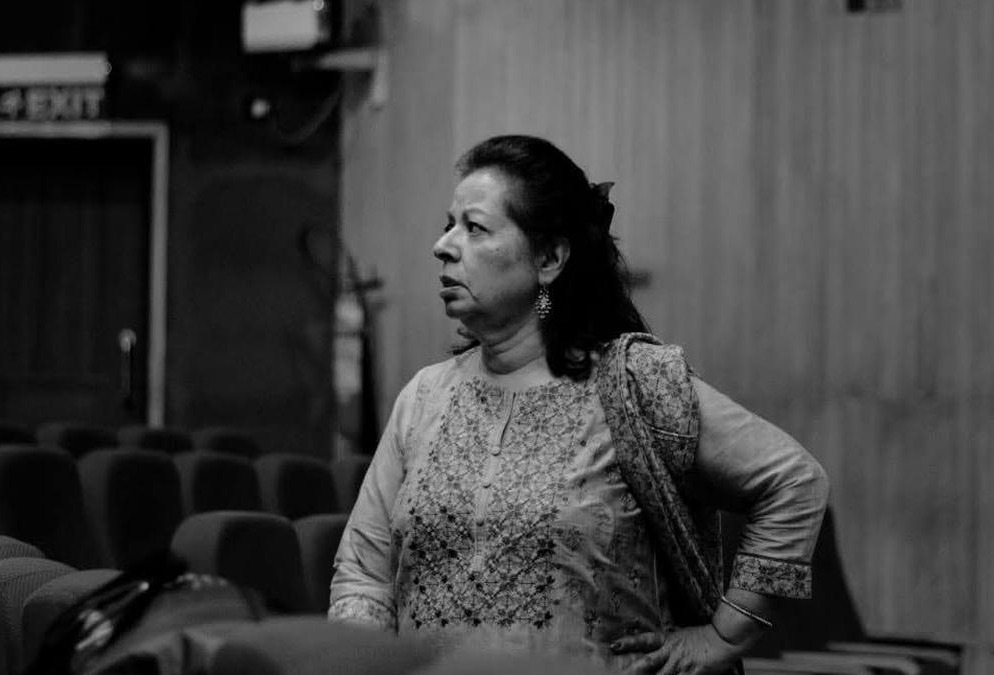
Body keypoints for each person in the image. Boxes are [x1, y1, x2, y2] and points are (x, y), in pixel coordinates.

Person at [329, 134, 829, 674]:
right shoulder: (424, 397)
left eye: (474, 228)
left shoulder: (634, 384)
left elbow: (795, 484)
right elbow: (364, 572)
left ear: (549, 258)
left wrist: (724, 637)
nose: (443, 245)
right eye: (448, 225)